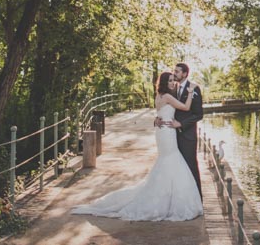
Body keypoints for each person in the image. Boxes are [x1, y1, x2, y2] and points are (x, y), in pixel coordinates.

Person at [71, 72, 204, 221]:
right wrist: (191, 91)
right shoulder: (167, 97)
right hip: (167, 131)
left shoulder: (159, 96)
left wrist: (157, 120)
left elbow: (161, 113)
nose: (173, 83)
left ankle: (167, 195)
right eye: (171, 81)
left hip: (162, 131)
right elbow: (186, 108)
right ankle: (171, 199)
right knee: (171, 160)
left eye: (174, 80)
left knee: (166, 161)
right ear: (165, 83)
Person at [156, 62, 203, 199]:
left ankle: (197, 199)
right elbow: (165, 107)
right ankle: (179, 198)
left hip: (187, 135)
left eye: (177, 71)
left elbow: (198, 114)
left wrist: (181, 124)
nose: (174, 73)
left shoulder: (194, 88)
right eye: (174, 71)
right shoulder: (172, 88)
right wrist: (157, 119)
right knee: (176, 169)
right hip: (171, 135)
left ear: (185, 73)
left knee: (190, 166)